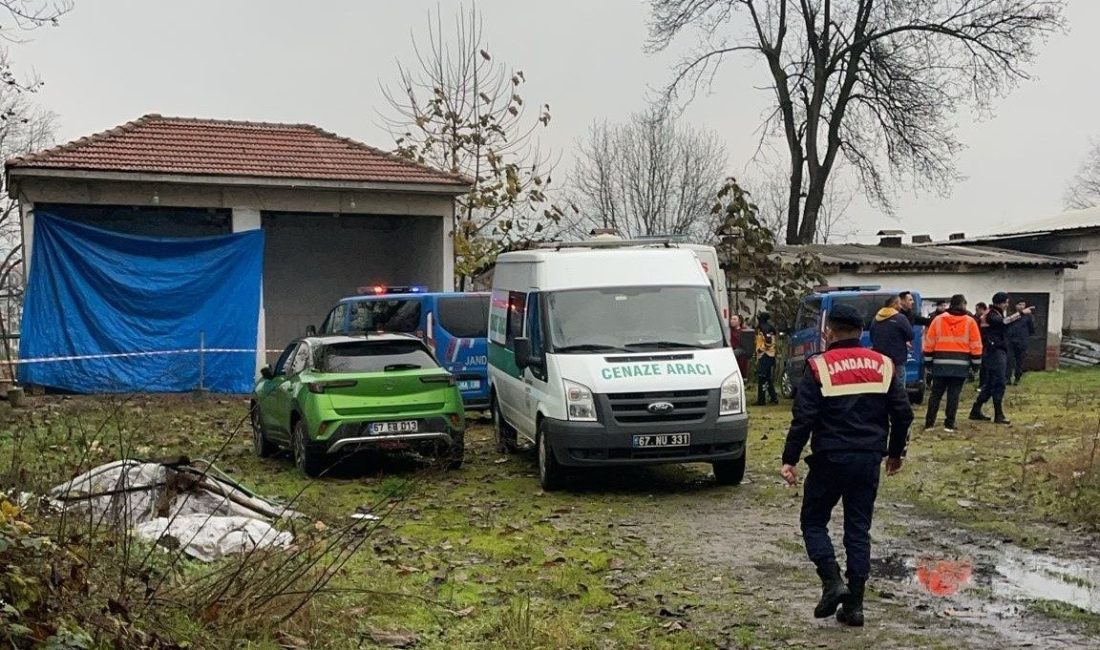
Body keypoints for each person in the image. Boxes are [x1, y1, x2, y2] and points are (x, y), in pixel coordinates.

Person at [781, 304, 913, 628]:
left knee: (813, 522)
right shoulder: (883, 365)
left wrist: (790, 458)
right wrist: (895, 452)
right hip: (868, 459)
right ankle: (855, 606)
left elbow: (803, 418)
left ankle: (831, 581)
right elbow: (903, 413)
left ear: (829, 331)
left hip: (829, 458)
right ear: (861, 331)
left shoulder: (818, 366)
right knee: (858, 530)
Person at [923, 294, 983, 432]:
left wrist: (928, 363)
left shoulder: (938, 320)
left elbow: (929, 343)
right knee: (953, 395)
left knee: (935, 394)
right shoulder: (970, 321)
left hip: (940, 363)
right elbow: (976, 345)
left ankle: (929, 423)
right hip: (960, 365)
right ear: (963, 304)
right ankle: (949, 424)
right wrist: (976, 366)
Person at [969, 292, 1032, 424]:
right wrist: (1020, 314)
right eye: (1006, 302)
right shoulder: (992, 314)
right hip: (994, 351)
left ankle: (976, 409)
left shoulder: (994, 313)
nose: (1007, 305)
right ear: (1000, 303)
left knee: (991, 383)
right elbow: (1003, 323)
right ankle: (998, 414)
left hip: (995, 350)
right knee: (999, 382)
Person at [870, 295, 913, 380]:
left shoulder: (876, 318)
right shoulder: (900, 318)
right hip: (897, 359)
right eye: (899, 304)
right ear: (894, 304)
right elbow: (910, 335)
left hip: (881, 360)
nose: (901, 307)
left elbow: (872, 337)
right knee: (898, 385)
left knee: (884, 384)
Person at [1005, 300, 1036, 385]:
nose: (1021, 306)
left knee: (1020, 361)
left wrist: (1024, 336)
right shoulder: (1011, 315)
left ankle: (1017, 378)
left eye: (1023, 305)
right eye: (1019, 304)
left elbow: (1032, 329)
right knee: (1009, 360)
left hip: (1022, 342)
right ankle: (1007, 378)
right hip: (1011, 341)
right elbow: (1006, 323)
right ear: (1015, 305)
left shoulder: (1028, 317)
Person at [755, 312, 779, 405]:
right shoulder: (770, 327)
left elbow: (768, 342)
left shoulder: (763, 328)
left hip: (765, 355)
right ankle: (773, 398)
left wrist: (761, 349)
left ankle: (761, 400)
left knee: (762, 378)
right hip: (769, 355)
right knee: (767, 378)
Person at [729, 314, 751, 379]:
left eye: (734, 319)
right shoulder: (728, 331)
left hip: (740, 355)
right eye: (731, 319)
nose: (732, 321)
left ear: (739, 322)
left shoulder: (744, 331)